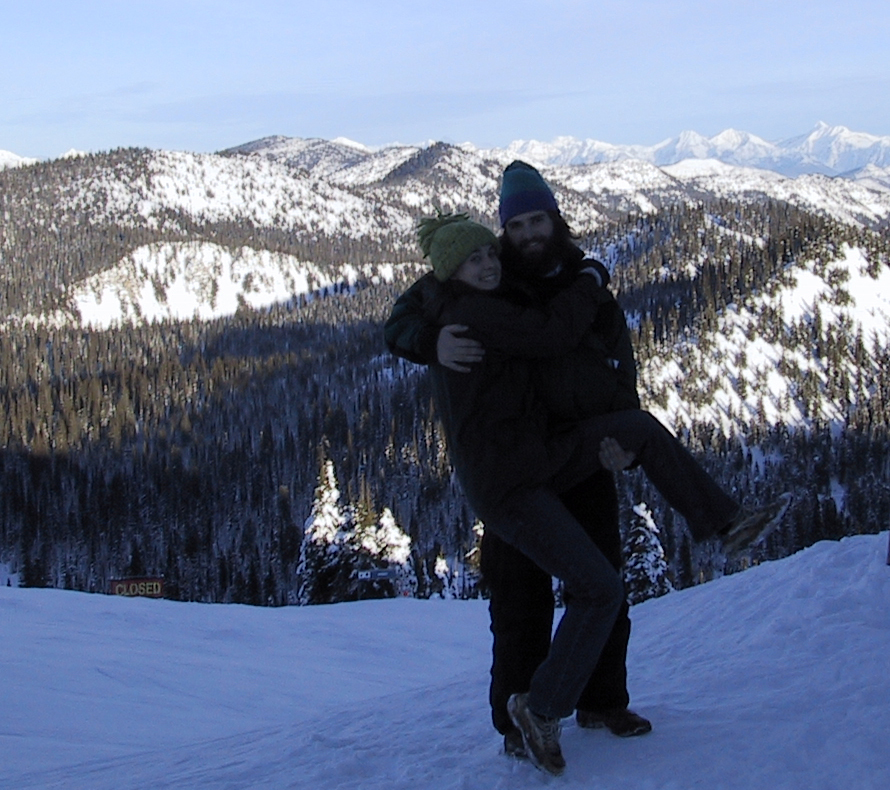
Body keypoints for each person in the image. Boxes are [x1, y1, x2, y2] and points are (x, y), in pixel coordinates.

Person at [398, 212, 789, 775]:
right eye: (473, 259)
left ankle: (726, 525)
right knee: (578, 593)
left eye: (488, 254)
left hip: (544, 454)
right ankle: (537, 710)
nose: (486, 264)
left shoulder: (492, 292)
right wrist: (590, 280)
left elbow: (600, 360)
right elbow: (549, 334)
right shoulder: (471, 313)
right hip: (509, 483)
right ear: (450, 272)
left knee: (637, 431)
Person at [385, 161, 650, 758]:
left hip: (580, 455)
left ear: (556, 220)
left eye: (538, 221)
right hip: (515, 467)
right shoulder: (485, 274)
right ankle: (516, 723)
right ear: (505, 230)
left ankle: (602, 700)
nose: (529, 233)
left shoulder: (588, 290)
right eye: (518, 224)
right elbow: (401, 317)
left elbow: (621, 373)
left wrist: (625, 448)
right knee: (518, 596)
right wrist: (429, 340)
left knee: (602, 577)